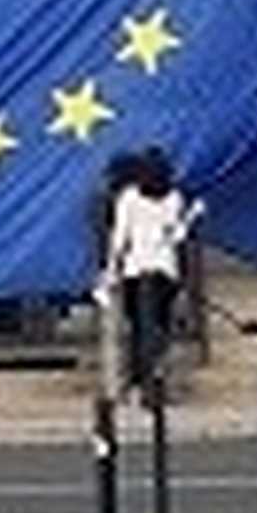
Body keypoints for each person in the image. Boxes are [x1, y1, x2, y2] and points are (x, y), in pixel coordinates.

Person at [100, 147, 199, 406]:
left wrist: (111, 269)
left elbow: (120, 238)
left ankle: (139, 381)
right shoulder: (173, 198)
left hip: (135, 269)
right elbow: (176, 236)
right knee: (159, 327)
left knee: (138, 328)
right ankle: (154, 378)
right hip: (165, 269)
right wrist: (190, 219)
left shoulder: (129, 198)